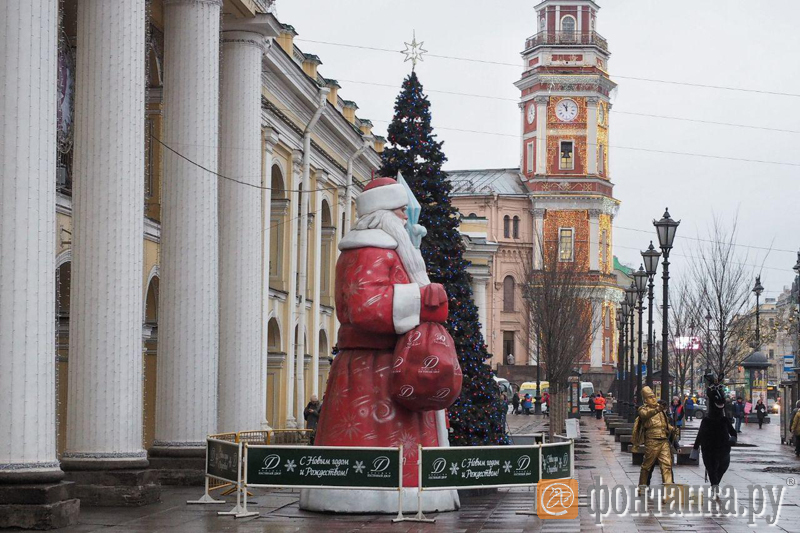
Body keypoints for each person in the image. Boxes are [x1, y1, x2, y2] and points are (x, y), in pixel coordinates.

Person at [309, 176, 458, 512]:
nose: (406, 217)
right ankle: (378, 495)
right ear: (383, 214)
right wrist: (422, 298)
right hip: (375, 368)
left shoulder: (387, 248)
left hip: (386, 364)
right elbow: (364, 306)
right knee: (376, 434)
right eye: (401, 210)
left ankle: (402, 492)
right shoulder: (370, 250)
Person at [692, 374, 737, 499]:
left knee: (723, 466)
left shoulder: (724, 419)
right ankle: (714, 484)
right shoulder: (706, 421)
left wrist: (733, 439)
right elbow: (700, 434)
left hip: (723, 448)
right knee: (711, 468)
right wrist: (695, 448)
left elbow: (733, 432)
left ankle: (715, 483)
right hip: (709, 449)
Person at [633, 386, 675, 488]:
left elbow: (663, 424)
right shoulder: (643, 409)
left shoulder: (661, 411)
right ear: (645, 400)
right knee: (647, 466)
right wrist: (657, 409)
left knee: (667, 465)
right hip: (652, 441)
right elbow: (646, 415)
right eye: (650, 397)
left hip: (663, 440)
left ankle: (669, 489)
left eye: (654, 396)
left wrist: (671, 429)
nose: (653, 399)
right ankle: (642, 485)